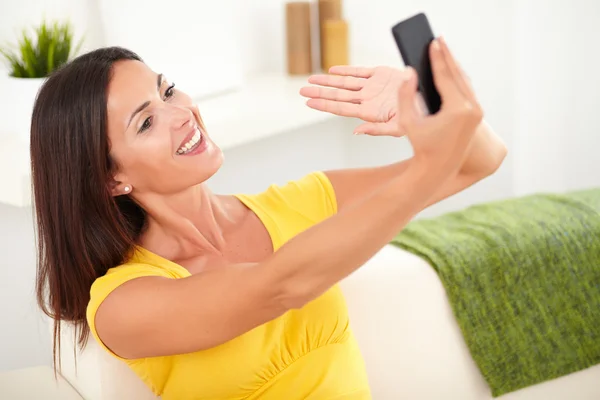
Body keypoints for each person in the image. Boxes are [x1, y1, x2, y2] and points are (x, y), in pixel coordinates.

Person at [31, 37, 506, 399]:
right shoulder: (120, 304)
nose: (181, 114)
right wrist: (427, 164)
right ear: (111, 179)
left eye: (168, 91)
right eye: (146, 122)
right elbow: (280, 287)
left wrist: (430, 105)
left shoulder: (300, 202)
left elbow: (479, 161)